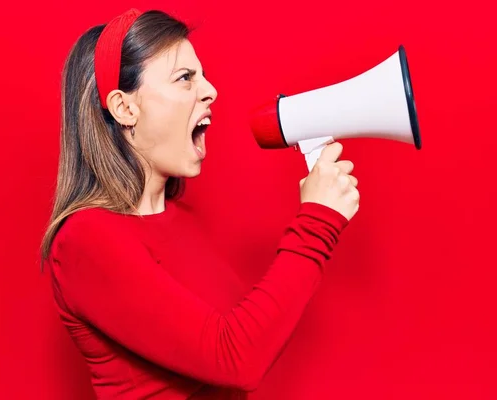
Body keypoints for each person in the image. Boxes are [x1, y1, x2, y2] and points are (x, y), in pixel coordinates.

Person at [40, 8, 359, 400]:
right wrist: (317, 223)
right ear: (125, 108)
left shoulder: (181, 220)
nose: (211, 91)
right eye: (185, 78)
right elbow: (236, 359)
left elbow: (249, 336)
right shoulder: (85, 240)